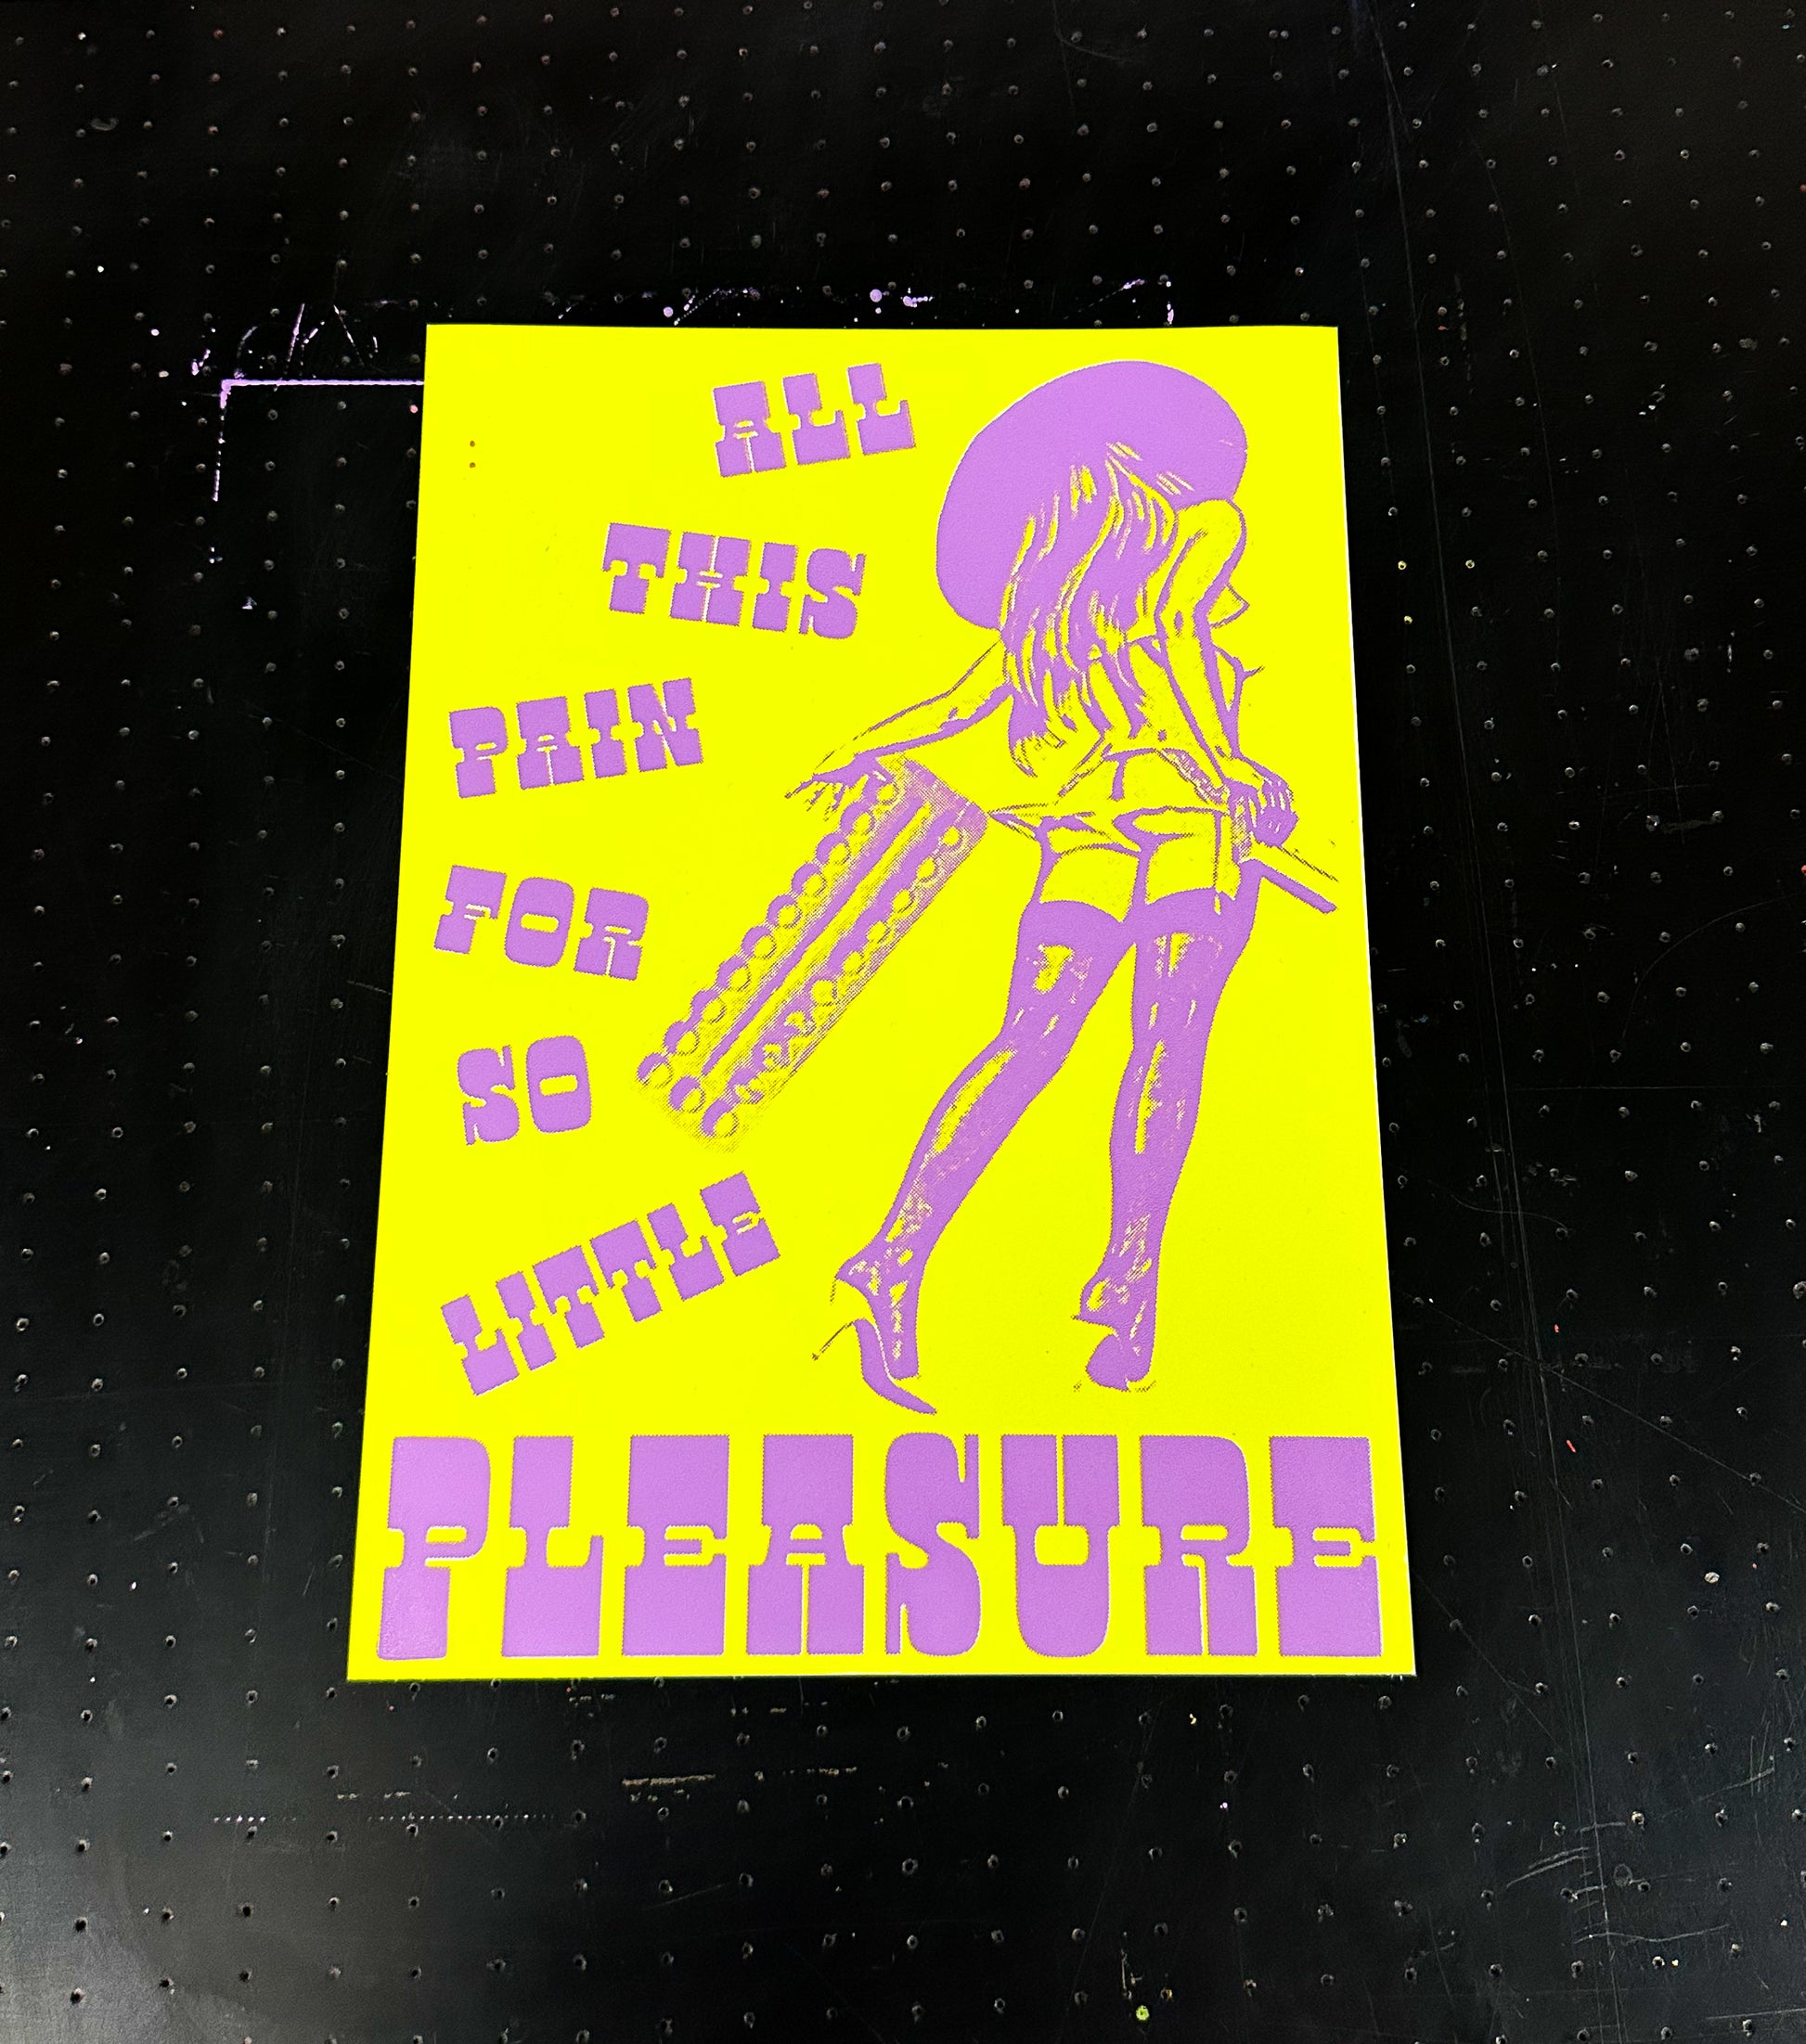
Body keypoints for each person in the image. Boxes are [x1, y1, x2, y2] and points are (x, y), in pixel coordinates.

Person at [793, 362, 1305, 1413]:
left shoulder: (1053, 598)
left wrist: (854, 750)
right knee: (1163, 1048)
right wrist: (1226, 771)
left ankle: (889, 1258)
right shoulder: (1202, 530)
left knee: (1023, 1042)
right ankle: (1128, 1278)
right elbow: (1174, 635)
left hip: (1085, 830)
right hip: (1184, 822)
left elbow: (951, 706)